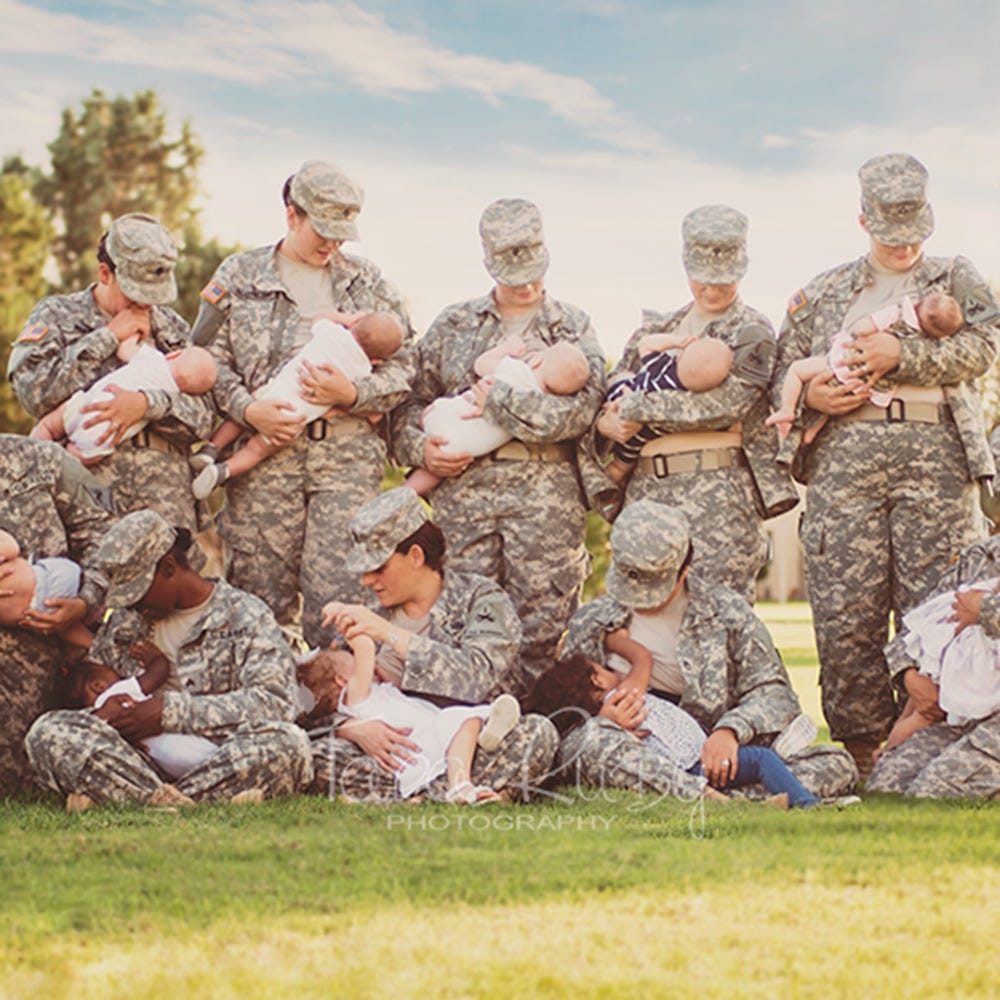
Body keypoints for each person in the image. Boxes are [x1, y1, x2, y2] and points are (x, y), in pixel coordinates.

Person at [773, 153, 1000, 778]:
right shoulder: (821, 293)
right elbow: (780, 371)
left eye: (915, 233)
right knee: (847, 609)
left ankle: (937, 741)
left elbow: (986, 345)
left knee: (935, 607)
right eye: (891, 235)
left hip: (936, 458)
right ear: (863, 220)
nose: (905, 247)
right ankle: (860, 751)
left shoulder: (956, 277)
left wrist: (904, 354)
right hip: (845, 459)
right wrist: (812, 398)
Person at [190, 161, 416, 646]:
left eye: (342, 235)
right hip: (264, 460)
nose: (332, 245)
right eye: (323, 231)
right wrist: (247, 410)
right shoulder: (239, 275)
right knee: (256, 601)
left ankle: (339, 712)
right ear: (292, 215)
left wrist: (354, 394)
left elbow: (406, 366)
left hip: (345, 463)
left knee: (342, 599)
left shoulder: (367, 283)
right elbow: (205, 360)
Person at [393, 198, 606, 695]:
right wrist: (422, 450)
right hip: (464, 494)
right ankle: (467, 736)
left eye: (533, 269)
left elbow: (582, 413)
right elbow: (407, 407)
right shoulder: (453, 325)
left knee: (542, 627)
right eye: (513, 273)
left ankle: (537, 739)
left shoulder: (571, 326)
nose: (526, 284)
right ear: (488, 261)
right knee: (464, 623)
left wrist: (501, 404)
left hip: (545, 497)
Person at [557, 500, 857, 802]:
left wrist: (729, 731)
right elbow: (561, 709)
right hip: (635, 754)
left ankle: (711, 798)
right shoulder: (593, 622)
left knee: (836, 765)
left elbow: (774, 693)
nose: (641, 597)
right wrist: (600, 720)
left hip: (716, 758)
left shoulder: (726, 612)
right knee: (589, 744)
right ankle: (716, 799)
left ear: (684, 569)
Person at [25, 510, 313, 808]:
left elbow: (275, 703)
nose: (132, 604)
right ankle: (183, 799)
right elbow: (102, 690)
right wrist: (111, 714)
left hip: (222, 757)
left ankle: (143, 800)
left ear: (168, 567)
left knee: (288, 743)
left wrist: (169, 712)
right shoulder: (127, 623)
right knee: (48, 732)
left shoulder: (245, 614)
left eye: (138, 591)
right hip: (138, 760)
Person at [592, 205, 795, 604]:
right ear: (687, 268)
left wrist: (638, 408)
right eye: (704, 279)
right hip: (646, 493)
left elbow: (724, 406)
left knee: (720, 621)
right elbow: (611, 392)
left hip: (718, 497)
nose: (714, 289)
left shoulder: (751, 331)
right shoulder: (654, 331)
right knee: (644, 621)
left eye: (725, 279)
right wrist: (606, 424)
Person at [306, 488, 559, 803]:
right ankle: (459, 793)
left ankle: (431, 792)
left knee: (536, 733)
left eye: (379, 568)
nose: (368, 581)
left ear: (415, 556)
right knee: (318, 754)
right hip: (398, 751)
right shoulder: (367, 612)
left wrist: (391, 635)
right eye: (365, 571)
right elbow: (326, 695)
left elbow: (477, 678)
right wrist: (350, 728)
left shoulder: (481, 599)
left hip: (471, 741)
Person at [8, 213, 215, 540]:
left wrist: (147, 404)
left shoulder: (171, 327)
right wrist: (107, 336)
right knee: (88, 583)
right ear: (105, 273)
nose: (147, 303)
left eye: (155, 292)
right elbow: (35, 394)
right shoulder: (58, 315)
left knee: (168, 588)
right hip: (85, 490)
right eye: (135, 293)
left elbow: (204, 419)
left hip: (165, 496)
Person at [529, 653, 820, 808]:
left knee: (805, 761)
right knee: (762, 760)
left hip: (691, 761)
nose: (612, 670)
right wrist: (623, 643)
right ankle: (806, 803)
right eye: (602, 668)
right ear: (597, 682)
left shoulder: (611, 709)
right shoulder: (621, 697)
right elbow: (642, 661)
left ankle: (765, 797)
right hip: (693, 764)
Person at [0, 436, 113, 795]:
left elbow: (106, 536)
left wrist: (85, 600)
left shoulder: (38, 458)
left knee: (23, 782)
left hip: (49, 657)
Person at [191, 310, 403, 499]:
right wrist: (339, 403)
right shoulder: (362, 371)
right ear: (377, 361)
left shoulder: (332, 334)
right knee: (257, 449)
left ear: (355, 325)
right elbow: (375, 415)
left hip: (273, 391)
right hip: (293, 417)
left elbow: (319, 316)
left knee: (242, 413)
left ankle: (211, 449)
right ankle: (224, 470)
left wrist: (346, 319)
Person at [308, 629, 522, 803]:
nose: (363, 664)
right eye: (351, 660)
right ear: (341, 681)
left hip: (429, 732)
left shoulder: (377, 691)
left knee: (467, 721)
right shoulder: (355, 696)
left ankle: (483, 734)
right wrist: (353, 627)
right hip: (422, 740)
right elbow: (365, 648)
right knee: (460, 721)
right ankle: (460, 784)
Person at [868, 532, 1000, 798]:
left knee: (933, 791)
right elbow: (920, 621)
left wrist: (985, 610)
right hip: (961, 713)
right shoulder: (979, 556)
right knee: (886, 786)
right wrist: (909, 676)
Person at [404, 335, 591, 495]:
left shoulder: (516, 369)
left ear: (537, 361)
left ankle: (403, 492)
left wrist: (505, 349)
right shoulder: (537, 402)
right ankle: (410, 489)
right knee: (443, 464)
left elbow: (481, 365)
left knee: (437, 415)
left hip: (448, 420)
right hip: (470, 448)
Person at [767, 291, 963, 443]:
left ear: (917, 304)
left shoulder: (897, 313)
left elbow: (862, 329)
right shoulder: (926, 341)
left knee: (796, 370)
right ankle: (812, 432)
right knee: (837, 404)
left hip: (845, 364)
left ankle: (787, 409)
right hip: (871, 388)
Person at [31, 340, 216, 465]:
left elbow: (124, 348)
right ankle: (53, 465)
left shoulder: (153, 357)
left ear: (174, 355)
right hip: (100, 436)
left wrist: (134, 336)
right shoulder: (171, 393)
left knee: (48, 425)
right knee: (70, 461)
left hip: (84, 404)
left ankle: (29, 458)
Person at [60, 643, 217, 781]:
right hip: (191, 748)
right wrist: (155, 659)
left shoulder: (98, 721)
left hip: (164, 762)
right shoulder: (116, 694)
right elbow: (158, 674)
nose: (120, 676)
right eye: (111, 671)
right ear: (98, 686)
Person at [604, 333, 735, 484]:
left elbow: (645, 344)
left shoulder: (664, 368)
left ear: (679, 358)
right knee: (620, 466)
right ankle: (615, 475)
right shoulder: (690, 400)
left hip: (622, 402)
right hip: (642, 439)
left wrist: (676, 341)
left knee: (621, 377)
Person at [0, 528, 93, 649]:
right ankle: (100, 649)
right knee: (70, 631)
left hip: (49, 581)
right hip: (31, 616)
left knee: (77, 611)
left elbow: (13, 548)